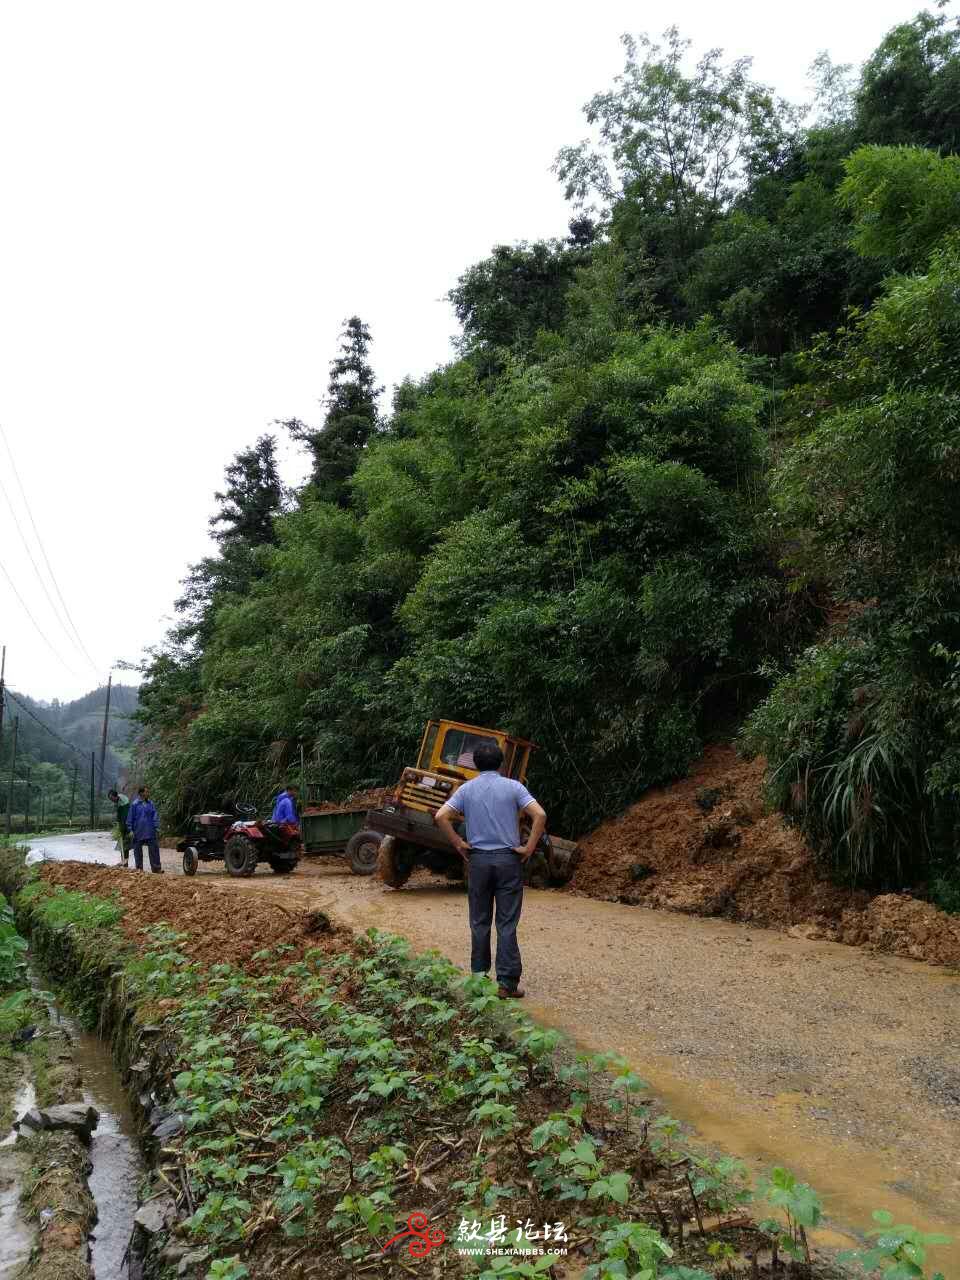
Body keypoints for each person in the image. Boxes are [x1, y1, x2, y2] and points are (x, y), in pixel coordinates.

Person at [434, 742, 546, 999]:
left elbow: (441, 816)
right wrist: (528, 847)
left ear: (474, 764)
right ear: (501, 763)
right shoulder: (514, 787)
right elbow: (539, 815)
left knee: (479, 921)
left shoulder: (466, 789)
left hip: (479, 861)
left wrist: (459, 844)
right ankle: (506, 983)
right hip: (508, 861)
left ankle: (479, 979)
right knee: (507, 923)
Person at [127, 786, 162, 874]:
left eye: (148, 792)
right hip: (138, 831)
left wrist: (157, 826)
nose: (148, 793)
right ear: (141, 793)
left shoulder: (151, 803)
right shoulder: (135, 804)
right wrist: (130, 830)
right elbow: (130, 818)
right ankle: (139, 869)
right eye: (146, 792)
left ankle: (156, 869)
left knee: (154, 850)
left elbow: (155, 815)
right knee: (137, 851)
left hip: (150, 830)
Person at [108, 788, 131, 867]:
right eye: (110, 799)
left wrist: (123, 828)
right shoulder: (117, 802)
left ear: (116, 796)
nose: (112, 800)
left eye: (112, 798)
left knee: (126, 844)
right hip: (122, 825)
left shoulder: (124, 802)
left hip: (127, 826)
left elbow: (125, 816)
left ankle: (126, 862)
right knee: (123, 845)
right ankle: (124, 862)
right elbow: (118, 816)